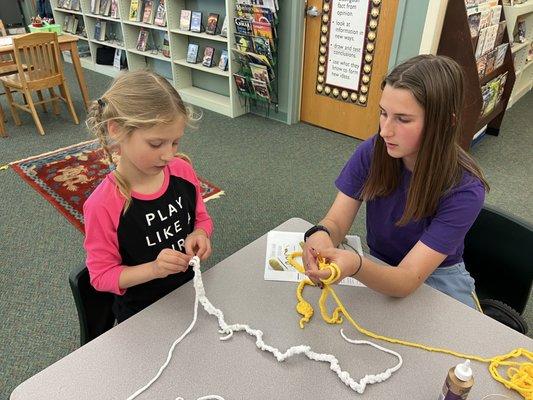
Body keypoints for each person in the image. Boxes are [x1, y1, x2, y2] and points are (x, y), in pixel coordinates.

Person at [303, 55, 489, 310]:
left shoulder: (465, 189)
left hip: (437, 279)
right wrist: (320, 235)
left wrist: (356, 265)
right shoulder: (373, 152)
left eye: (403, 119)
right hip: (378, 262)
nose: (385, 130)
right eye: (383, 113)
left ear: (446, 122)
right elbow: (335, 221)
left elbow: (407, 279)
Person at [84, 70, 213, 322]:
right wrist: (154, 269)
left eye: (175, 142)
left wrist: (200, 234)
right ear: (117, 130)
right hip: (141, 315)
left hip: (189, 296)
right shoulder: (103, 205)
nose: (167, 155)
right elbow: (101, 276)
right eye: (156, 144)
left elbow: (202, 219)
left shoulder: (182, 172)